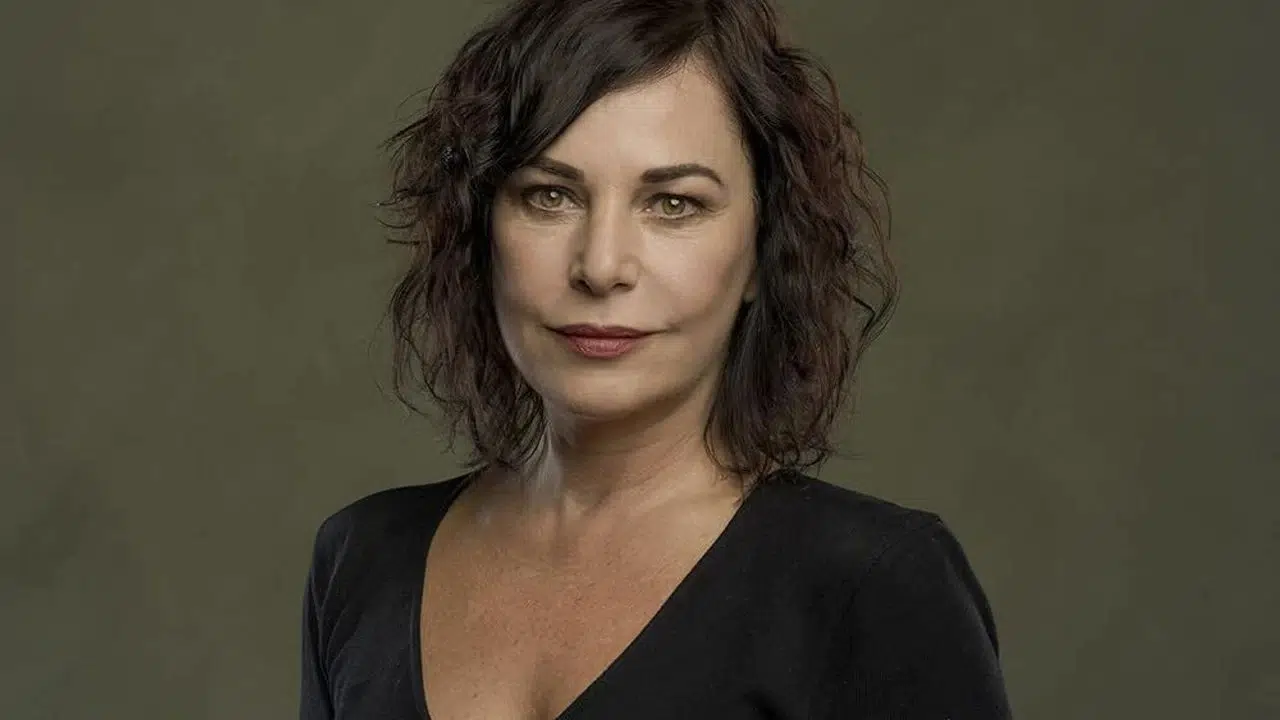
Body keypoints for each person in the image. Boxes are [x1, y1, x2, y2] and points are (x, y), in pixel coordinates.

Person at [300, 0, 1013, 718]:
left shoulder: (876, 582)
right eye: (550, 196)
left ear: (764, 249)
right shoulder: (362, 560)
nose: (601, 265)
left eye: (673, 204)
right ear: (482, 228)